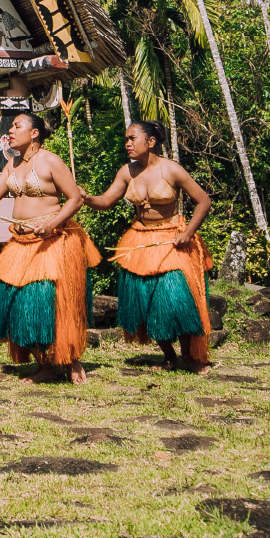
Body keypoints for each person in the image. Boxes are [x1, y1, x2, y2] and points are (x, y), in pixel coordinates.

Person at [0, 109, 99, 382]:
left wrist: (53, 223)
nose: (10, 130)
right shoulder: (12, 164)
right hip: (21, 243)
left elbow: (75, 199)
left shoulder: (50, 161)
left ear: (34, 133)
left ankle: (70, 360)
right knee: (19, 304)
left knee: (50, 302)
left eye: (16, 126)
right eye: (10, 126)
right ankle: (43, 366)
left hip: (51, 242)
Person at [84, 120, 214, 372]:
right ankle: (169, 357)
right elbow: (107, 200)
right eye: (126, 140)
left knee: (178, 300)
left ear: (151, 142)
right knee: (147, 302)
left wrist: (188, 233)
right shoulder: (127, 172)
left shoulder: (172, 170)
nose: (127, 144)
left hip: (171, 239)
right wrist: (87, 198)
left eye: (132, 138)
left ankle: (190, 357)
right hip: (140, 239)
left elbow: (203, 201)